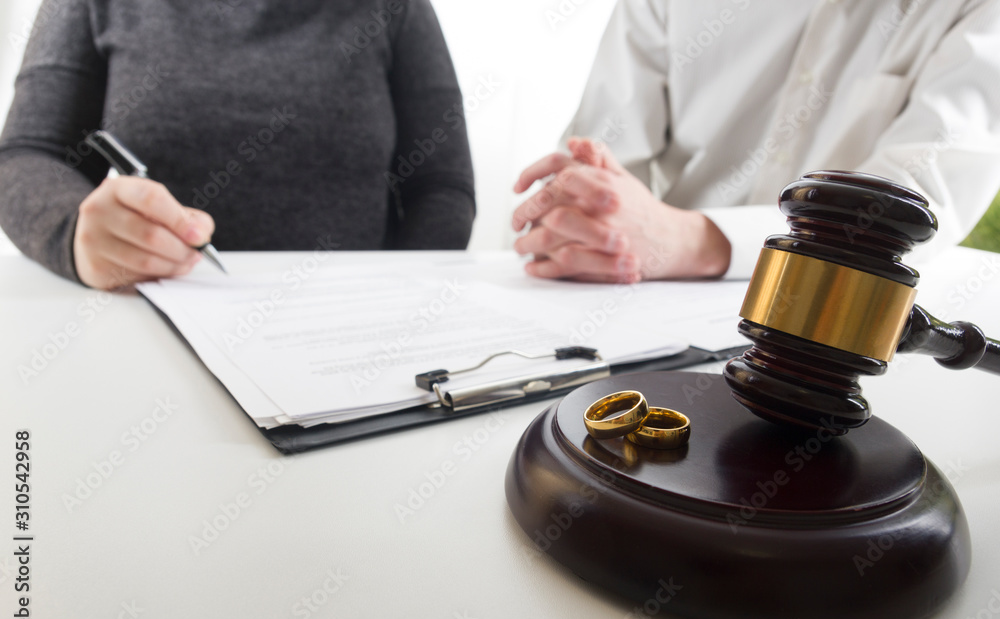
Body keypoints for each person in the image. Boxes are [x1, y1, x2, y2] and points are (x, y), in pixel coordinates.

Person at [512, 0, 1000, 284]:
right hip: (650, 297)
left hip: (840, 317)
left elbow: (912, 207)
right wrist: (586, 215)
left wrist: (693, 241)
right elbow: (603, 165)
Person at [0, 0, 475, 290]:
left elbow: (442, 185)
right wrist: (75, 232)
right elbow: (24, 156)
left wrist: (399, 298)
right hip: (147, 320)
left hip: (352, 333)